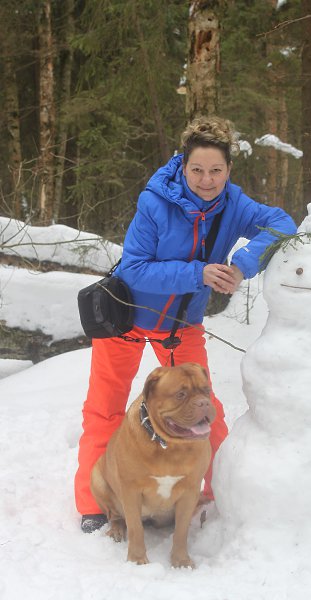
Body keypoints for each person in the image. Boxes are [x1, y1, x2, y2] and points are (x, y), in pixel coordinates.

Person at [75, 116, 297, 533]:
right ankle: (95, 504)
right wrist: (199, 273)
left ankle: (218, 492)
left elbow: (282, 223)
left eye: (216, 170)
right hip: (125, 319)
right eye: (197, 170)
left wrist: (242, 264)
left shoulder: (234, 204)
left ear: (229, 169)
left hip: (179, 326)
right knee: (105, 409)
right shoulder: (154, 202)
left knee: (204, 408)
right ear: (182, 165)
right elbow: (135, 268)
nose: (206, 180)